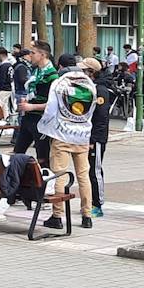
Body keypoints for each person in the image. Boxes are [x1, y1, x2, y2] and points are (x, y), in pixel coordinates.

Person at [38, 59, 98, 230]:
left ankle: (57, 215)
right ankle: (87, 215)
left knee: (60, 175)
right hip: (82, 135)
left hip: (62, 135)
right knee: (83, 176)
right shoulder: (90, 85)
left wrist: (46, 127)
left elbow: (51, 109)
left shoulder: (59, 83)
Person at [14, 41, 57, 164]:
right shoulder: (35, 71)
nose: (30, 55)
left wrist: (31, 106)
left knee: (42, 157)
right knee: (17, 152)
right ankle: (16, 180)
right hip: (28, 118)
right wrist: (26, 100)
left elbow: (53, 104)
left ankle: (44, 181)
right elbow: (34, 92)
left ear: (42, 55)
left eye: (33, 53)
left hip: (42, 120)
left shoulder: (52, 76)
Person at [82, 58, 115, 218]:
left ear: (91, 73)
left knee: (95, 170)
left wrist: (93, 140)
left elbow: (101, 118)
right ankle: (90, 201)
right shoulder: (90, 88)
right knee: (88, 170)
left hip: (96, 138)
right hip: (87, 135)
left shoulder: (100, 91)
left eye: (84, 71)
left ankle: (98, 204)